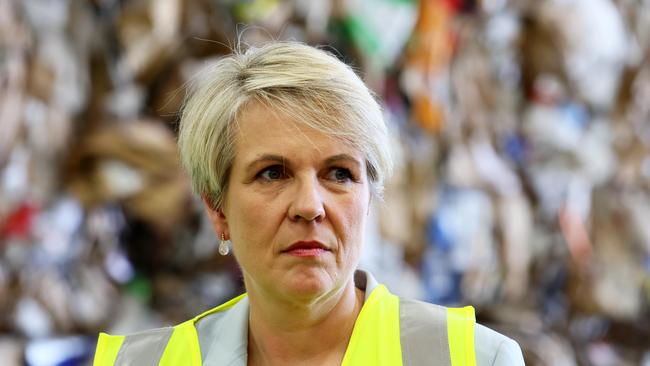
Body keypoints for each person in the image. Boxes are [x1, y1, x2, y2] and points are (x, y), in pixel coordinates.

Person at [93, 41, 525, 366]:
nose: (309, 206)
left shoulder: (475, 358)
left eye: (339, 174)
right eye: (273, 173)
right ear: (218, 210)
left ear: (368, 201)